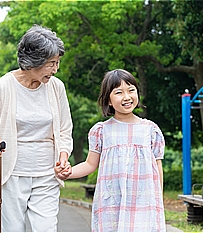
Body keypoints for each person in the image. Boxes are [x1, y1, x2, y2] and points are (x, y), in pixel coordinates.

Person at [0, 24, 73, 232]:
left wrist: (63, 155)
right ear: (32, 62)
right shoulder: (3, 86)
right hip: (11, 174)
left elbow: (65, 130)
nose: (55, 70)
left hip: (47, 173)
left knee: (46, 229)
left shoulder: (56, 87)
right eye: (51, 64)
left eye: (57, 63)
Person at [55, 69, 166, 232]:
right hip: (112, 202)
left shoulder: (151, 130)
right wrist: (68, 172)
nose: (127, 97)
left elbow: (157, 167)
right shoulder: (101, 131)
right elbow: (90, 164)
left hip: (144, 202)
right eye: (119, 92)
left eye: (131, 90)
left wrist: (158, 199)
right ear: (108, 100)